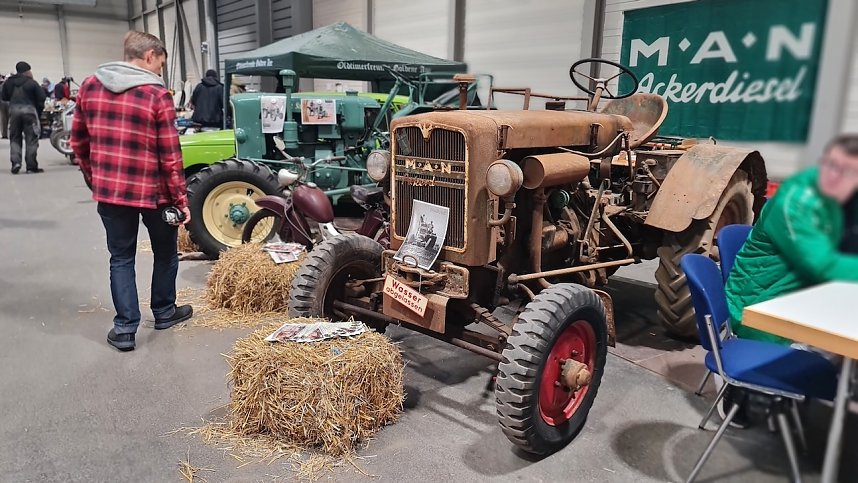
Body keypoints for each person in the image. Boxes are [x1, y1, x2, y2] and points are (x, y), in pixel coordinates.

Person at [71, 31, 193, 352]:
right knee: (165, 253)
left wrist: (95, 180)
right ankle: (164, 311)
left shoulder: (90, 86)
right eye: (160, 64)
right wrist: (181, 200)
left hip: (111, 193)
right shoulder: (156, 95)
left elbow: (78, 143)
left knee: (121, 257)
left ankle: (125, 328)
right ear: (150, 55)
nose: (159, 72)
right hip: (155, 194)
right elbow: (171, 156)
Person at [725, 134, 858, 344]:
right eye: (831, 165)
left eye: (849, 172)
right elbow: (824, 265)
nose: (835, 176)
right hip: (761, 311)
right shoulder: (794, 203)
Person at [1, 61, 46, 173]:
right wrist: (38, 110)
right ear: (27, 71)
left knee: (15, 138)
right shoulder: (32, 83)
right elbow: (42, 97)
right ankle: (31, 167)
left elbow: (3, 96)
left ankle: (16, 163)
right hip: (30, 111)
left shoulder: (8, 83)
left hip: (14, 111)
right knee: (31, 139)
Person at [0, 74, 8, 139]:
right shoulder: (11, 85)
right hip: (9, 103)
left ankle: (4, 134)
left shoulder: (1, 85)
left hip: (2, 103)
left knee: (3, 119)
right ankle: (8, 133)